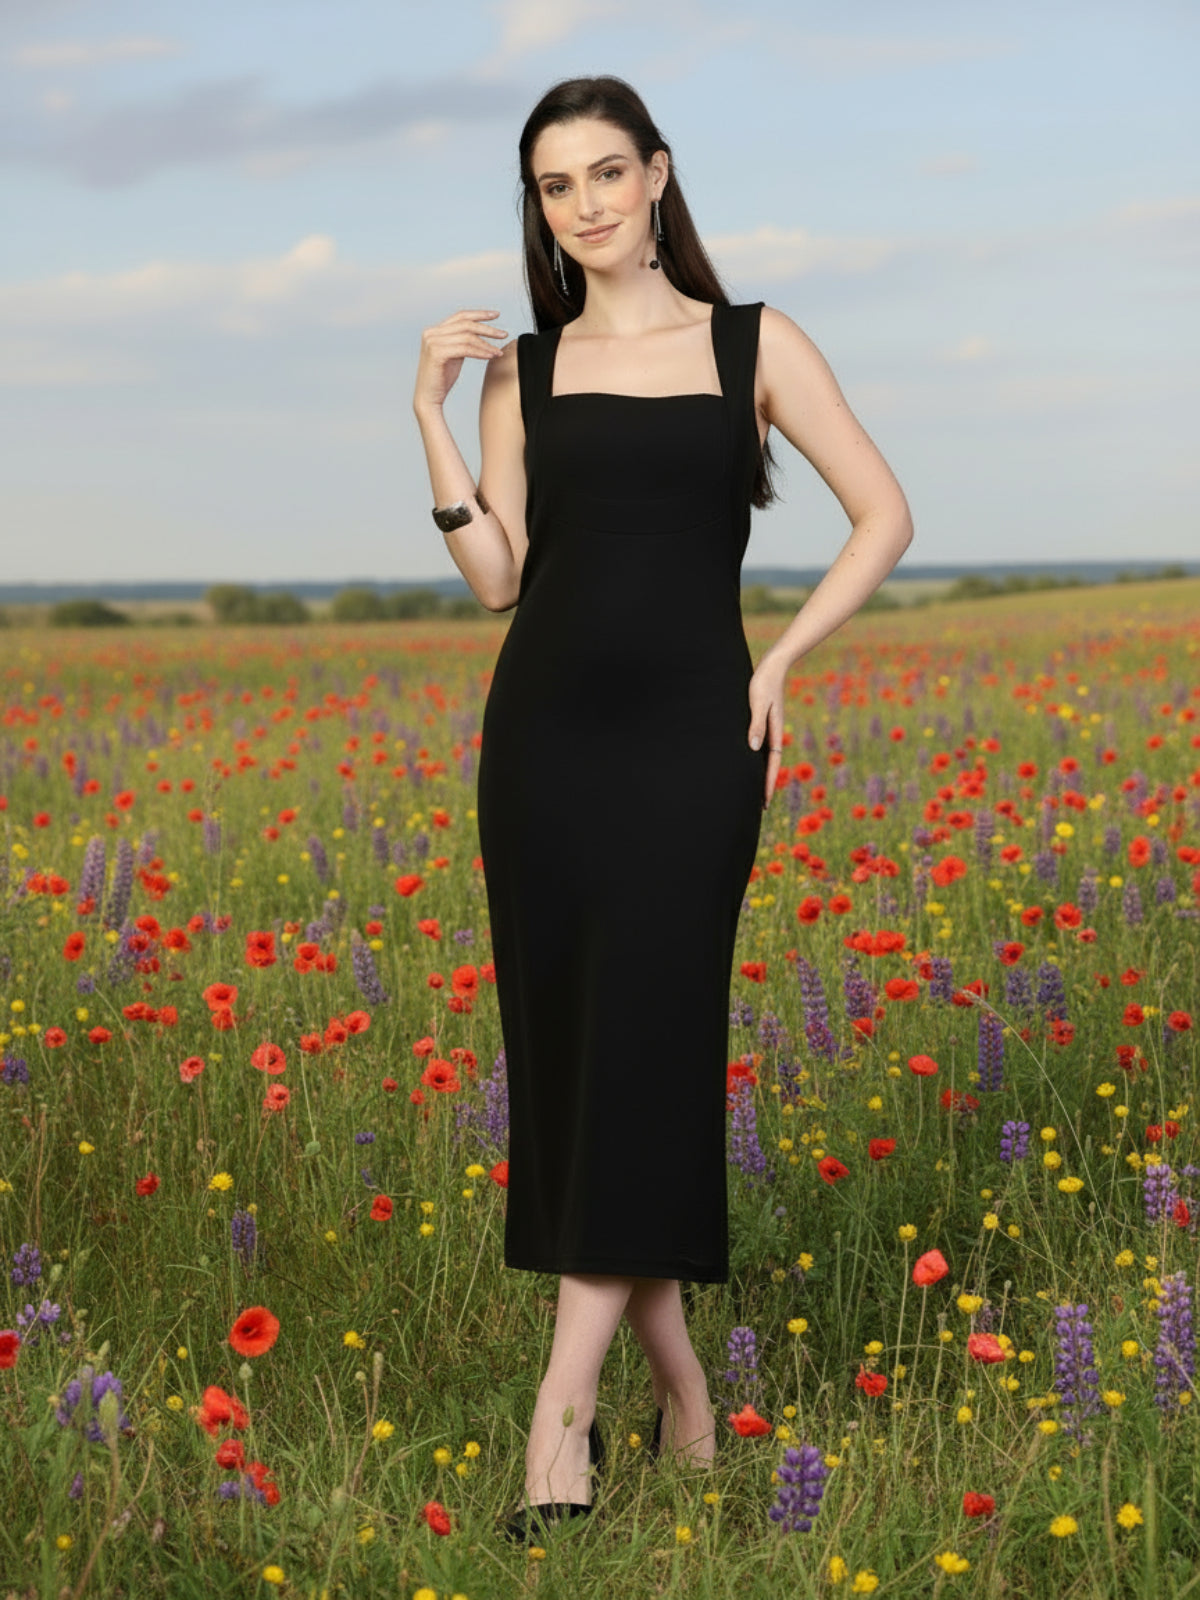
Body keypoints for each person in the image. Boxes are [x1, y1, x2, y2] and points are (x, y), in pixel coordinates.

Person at [412, 75, 913, 1541]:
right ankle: (686, 1391)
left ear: (659, 174)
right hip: (545, 752)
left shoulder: (756, 342)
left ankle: (556, 1428)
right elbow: (498, 580)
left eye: (609, 172)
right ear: (543, 211)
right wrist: (430, 417)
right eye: (558, 186)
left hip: (700, 742)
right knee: (577, 1066)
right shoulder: (527, 373)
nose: (588, 205)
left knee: (650, 1042)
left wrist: (786, 659)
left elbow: (884, 512)